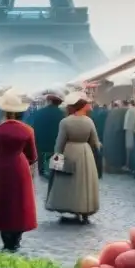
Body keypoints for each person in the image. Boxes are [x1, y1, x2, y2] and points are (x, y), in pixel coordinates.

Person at [0, 90, 38, 252]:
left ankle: (5, 238)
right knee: (20, 202)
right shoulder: (27, 130)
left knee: (3, 202)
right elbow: (32, 155)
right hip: (20, 167)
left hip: (3, 167)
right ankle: (17, 238)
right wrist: (22, 160)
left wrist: (1, 161)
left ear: (4, 111)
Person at [45, 91, 100, 222]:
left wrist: (57, 158)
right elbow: (94, 141)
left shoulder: (65, 122)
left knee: (68, 182)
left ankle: (71, 207)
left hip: (70, 150)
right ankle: (85, 211)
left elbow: (60, 142)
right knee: (85, 182)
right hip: (85, 153)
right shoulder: (89, 121)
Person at [32, 92, 65, 177]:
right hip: (57, 144)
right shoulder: (63, 114)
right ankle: (56, 174)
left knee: (41, 167)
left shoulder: (39, 112)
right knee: (56, 171)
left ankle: (42, 172)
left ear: (49, 101)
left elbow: (33, 127)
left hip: (41, 144)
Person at [101, 101, 129, 173]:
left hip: (110, 136)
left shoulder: (111, 112)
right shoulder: (123, 111)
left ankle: (110, 166)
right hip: (117, 136)